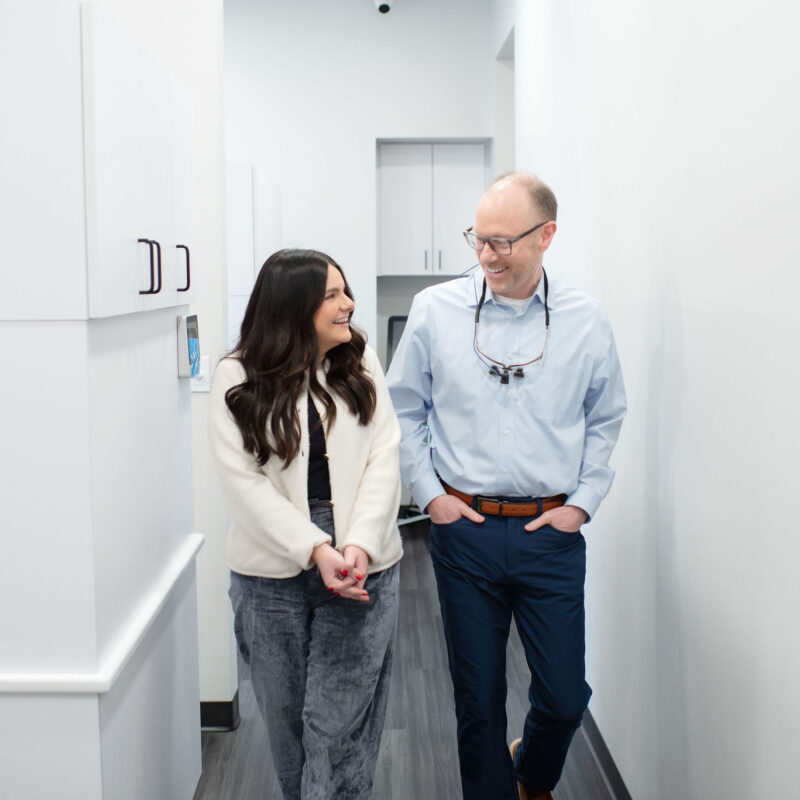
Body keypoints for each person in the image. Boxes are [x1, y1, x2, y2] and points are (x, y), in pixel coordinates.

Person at [386, 173, 626, 800]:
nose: (487, 255)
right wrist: (431, 496)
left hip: (551, 533)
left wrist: (582, 505)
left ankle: (532, 779)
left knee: (565, 696)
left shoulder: (584, 320)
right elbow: (404, 407)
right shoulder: (437, 310)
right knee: (477, 698)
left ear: (547, 236)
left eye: (503, 242)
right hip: (464, 531)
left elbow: (606, 418)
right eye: (479, 240)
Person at [209, 248, 403, 800]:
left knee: (339, 727)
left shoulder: (359, 363)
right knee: (291, 731)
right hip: (271, 576)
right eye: (332, 296)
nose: (349, 305)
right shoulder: (237, 376)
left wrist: (359, 543)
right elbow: (244, 484)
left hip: (363, 564)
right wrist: (317, 549)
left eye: (346, 291)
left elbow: (383, 457)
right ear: (293, 309)